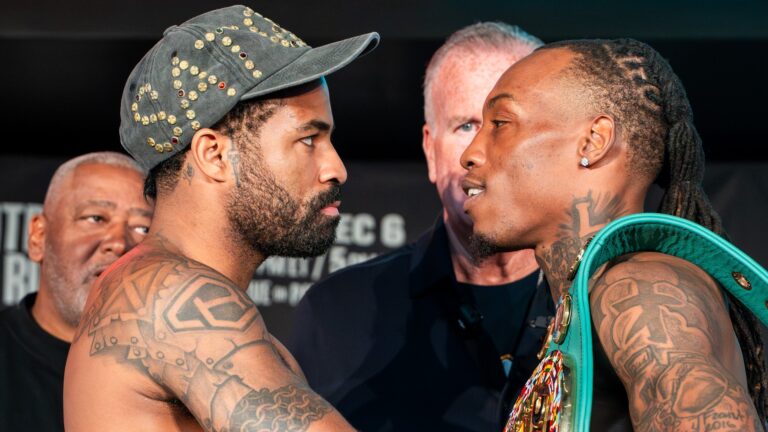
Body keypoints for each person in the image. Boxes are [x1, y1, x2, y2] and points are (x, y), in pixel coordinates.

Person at [63, 5, 377, 432]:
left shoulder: (171, 293)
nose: (336, 169)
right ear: (214, 155)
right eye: (308, 140)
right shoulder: (170, 297)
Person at [460, 38, 767, 430]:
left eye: (500, 124)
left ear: (593, 141)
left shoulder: (640, 290)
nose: (469, 154)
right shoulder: (593, 294)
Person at [289, 23, 552, 432]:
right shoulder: (337, 314)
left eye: (505, 124)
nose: (480, 152)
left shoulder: (608, 303)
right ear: (430, 149)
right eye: (466, 126)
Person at [0, 151, 152, 432]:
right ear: (38, 237)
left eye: (143, 228)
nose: (119, 243)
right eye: (96, 218)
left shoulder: (179, 373)